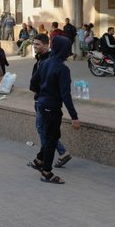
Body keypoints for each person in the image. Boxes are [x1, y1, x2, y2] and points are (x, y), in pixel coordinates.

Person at [30, 36, 80, 184]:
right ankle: (46, 172)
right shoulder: (63, 69)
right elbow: (65, 96)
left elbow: (33, 84)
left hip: (42, 104)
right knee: (51, 140)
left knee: (53, 135)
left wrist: (44, 91)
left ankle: (39, 160)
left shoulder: (44, 63)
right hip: (52, 108)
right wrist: (74, 117)